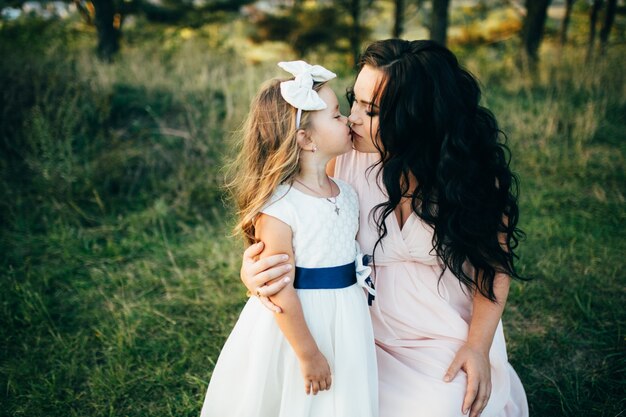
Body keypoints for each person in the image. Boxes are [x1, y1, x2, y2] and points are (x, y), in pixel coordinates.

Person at [240, 40, 529, 417]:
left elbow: (494, 267)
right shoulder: (340, 163)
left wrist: (477, 346)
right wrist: (255, 270)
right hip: (355, 329)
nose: (354, 118)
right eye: (353, 101)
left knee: (447, 409)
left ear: (416, 117)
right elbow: (295, 227)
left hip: (438, 334)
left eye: (371, 110)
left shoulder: (468, 177)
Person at [200, 61, 378, 417]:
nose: (348, 121)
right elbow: (278, 283)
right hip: (299, 323)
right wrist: (308, 351)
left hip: (346, 315)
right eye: (338, 115)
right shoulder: (281, 205)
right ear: (306, 139)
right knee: (295, 397)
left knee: (340, 398)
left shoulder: (346, 192)